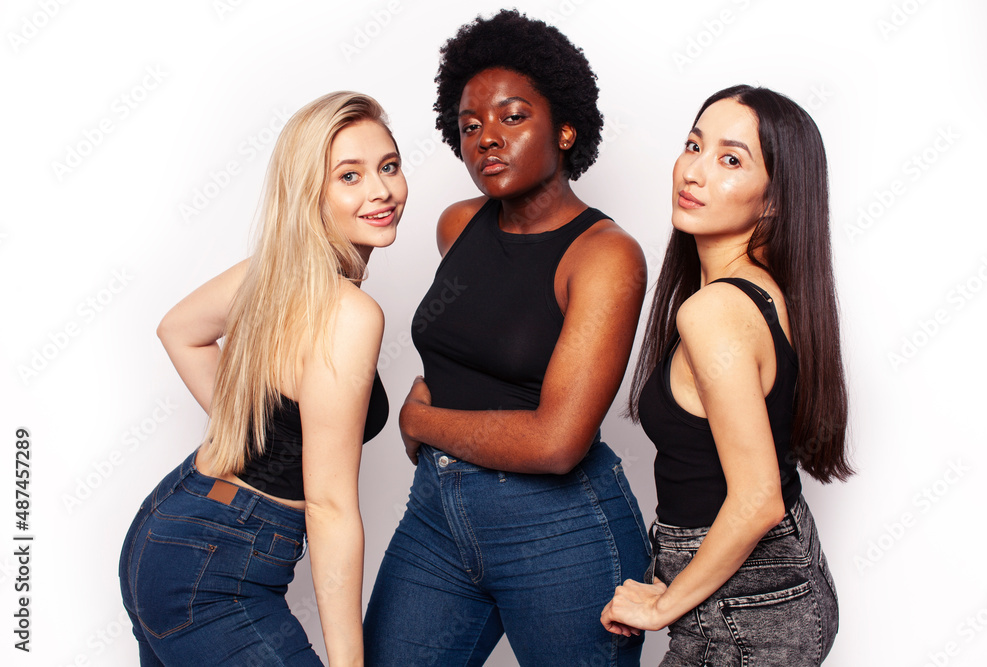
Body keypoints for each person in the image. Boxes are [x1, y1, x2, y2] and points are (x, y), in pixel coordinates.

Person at [362, 10, 650, 666]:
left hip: (560, 530)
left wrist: (422, 418)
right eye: (469, 126)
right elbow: (467, 341)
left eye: (512, 117)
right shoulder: (457, 223)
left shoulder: (605, 256)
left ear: (566, 128)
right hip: (438, 512)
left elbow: (557, 441)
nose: (487, 138)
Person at [118, 91, 407, 666]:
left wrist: (247, 429)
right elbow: (328, 506)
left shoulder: (271, 272)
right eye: (349, 176)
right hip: (213, 569)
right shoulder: (350, 314)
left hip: (169, 524)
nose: (381, 191)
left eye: (389, 166)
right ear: (309, 193)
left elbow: (180, 330)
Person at [600, 85, 848, 665]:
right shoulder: (765, 293)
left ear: (773, 202)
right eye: (693, 145)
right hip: (772, 579)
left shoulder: (713, 311)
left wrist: (663, 607)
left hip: (750, 603)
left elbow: (758, 497)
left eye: (731, 159)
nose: (695, 171)